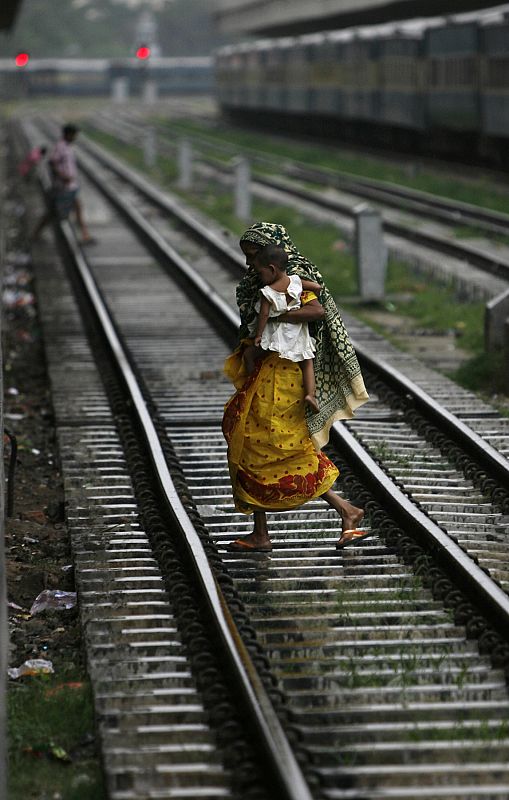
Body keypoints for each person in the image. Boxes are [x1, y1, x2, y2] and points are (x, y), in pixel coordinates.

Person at [222, 221, 370, 552]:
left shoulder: (291, 278)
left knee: (277, 446)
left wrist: (275, 317)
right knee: (250, 442)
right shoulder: (261, 281)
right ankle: (262, 532)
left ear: (271, 259)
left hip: (284, 376)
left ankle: (346, 510)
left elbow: (316, 310)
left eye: (253, 256)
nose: (248, 265)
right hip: (264, 372)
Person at [245, 242, 321, 412]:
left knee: (250, 355)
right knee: (307, 361)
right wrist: (310, 294)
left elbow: (264, 315)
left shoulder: (267, 292)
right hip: (297, 332)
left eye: (260, 272)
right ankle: (311, 394)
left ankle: (251, 387)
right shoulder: (296, 282)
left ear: (272, 269)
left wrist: (258, 335)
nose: (258, 275)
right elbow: (317, 287)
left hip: (276, 335)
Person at [30, 123, 95, 246]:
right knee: (52, 212)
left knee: (76, 207)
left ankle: (85, 235)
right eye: (74, 135)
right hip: (62, 187)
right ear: (69, 134)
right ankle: (35, 234)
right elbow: (52, 163)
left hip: (69, 186)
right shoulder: (61, 147)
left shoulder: (67, 147)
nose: (76, 137)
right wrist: (62, 177)